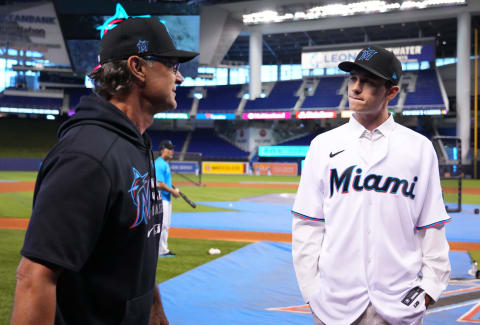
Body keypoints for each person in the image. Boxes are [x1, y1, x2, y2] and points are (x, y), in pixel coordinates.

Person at [10, 17, 198, 325]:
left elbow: (132, 248)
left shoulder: (135, 143)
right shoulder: (87, 156)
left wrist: (152, 307)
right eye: (172, 64)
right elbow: (35, 278)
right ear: (137, 67)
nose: (180, 77)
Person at [291, 45, 451, 325]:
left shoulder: (419, 148)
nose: (356, 88)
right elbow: (308, 223)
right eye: (353, 79)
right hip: (334, 305)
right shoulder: (323, 145)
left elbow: (432, 226)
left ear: (391, 92)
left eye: (368, 82)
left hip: (399, 304)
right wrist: (311, 290)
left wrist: (429, 289)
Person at [155, 139, 180, 257]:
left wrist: (172, 190)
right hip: (161, 199)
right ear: (163, 150)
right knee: (163, 225)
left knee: (166, 225)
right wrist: (173, 192)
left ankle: (163, 249)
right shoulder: (160, 164)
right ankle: (162, 250)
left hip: (165, 198)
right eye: (169, 149)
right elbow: (159, 183)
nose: (172, 151)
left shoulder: (163, 164)